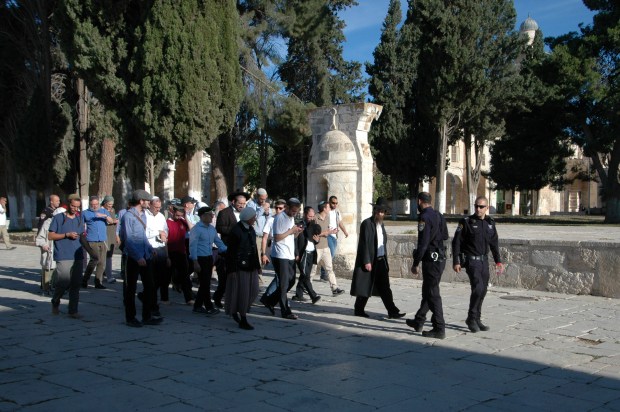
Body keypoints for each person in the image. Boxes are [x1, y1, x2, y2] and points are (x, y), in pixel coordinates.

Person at [452, 195, 504, 333]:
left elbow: (494, 243)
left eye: (481, 206)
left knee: (484, 289)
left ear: (487, 208)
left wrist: (498, 261)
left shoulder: (490, 223)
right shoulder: (466, 222)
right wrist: (456, 261)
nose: (478, 209)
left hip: (484, 261)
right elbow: (456, 242)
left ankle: (477, 319)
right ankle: (471, 318)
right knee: (478, 288)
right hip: (471, 261)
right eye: (476, 206)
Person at [350, 198, 404, 319]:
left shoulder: (381, 225)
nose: (380, 213)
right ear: (375, 210)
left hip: (380, 261)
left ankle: (392, 311)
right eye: (379, 211)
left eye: (383, 211)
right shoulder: (367, 224)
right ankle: (358, 309)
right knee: (365, 285)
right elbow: (363, 244)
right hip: (370, 261)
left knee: (385, 287)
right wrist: (366, 261)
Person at [407, 192, 449, 339]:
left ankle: (439, 327)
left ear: (419, 201)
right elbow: (445, 236)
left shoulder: (424, 217)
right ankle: (419, 321)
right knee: (428, 290)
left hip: (430, 260)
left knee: (433, 293)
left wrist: (415, 263)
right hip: (440, 258)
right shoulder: (438, 215)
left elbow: (423, 243)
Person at [120, 189, 162, 328]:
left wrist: (150, 249)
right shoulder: (128, 216)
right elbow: (129, 239)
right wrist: (138, 257)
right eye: (147, 200)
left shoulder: (143, 215)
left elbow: (142, 236)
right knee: (130, 288)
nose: (149, 203)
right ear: (141, 201)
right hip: (132, 257)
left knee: (150, 286)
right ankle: (130, 318)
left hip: (145, 256)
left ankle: (147, 316)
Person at [259, 198, 303, 320]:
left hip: (289, 254)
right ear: (287, 207)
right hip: (280, 254)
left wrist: (297, 232)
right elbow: (277, 237)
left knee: (292, 280)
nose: (294, 213)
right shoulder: (279, 218)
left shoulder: (291, 217)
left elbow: (291, 236)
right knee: (283, 284)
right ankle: (285, 311)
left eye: (296, 211)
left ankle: (268, 300)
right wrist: (291, 230)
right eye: (293, 211)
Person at [48, 194, 84, 318]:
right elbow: (50, 236)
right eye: (73, 206)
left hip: (78, 255)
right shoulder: (58, 218)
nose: (75, 209)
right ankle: (55, 300)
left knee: (76, 283)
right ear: (68, 204)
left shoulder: (80, 218)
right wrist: (66, 235)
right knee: (63, 281)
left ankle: (73, 310)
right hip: (63, 254)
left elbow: (82, 235)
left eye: (77, 207)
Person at [225, 207, 261, 329]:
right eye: (253, 217)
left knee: (255, 290)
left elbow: (254, 248)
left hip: (251, 265)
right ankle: (243, 318)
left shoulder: (251, 229)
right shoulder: (236, 231)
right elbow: (231, 252)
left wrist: (258, 265)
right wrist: (232, 270)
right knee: (243, 293)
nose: (255, 219)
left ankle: (240, 310)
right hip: (240, 267)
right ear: (248, 218)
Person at [190, 206, 227, 316]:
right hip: (200, 258)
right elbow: (192, 246)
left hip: (209, 258)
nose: (212, 216)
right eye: (209, 214)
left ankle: (197, 306)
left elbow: (218, 242)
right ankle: (209, 307)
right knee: (205, 283)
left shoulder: (211, 229)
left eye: (212, 214)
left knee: (205, 283)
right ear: (202, 216)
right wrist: (195, 261)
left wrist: (228, 250)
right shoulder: (196, 229)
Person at [214, 191, 249, 308]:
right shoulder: (224, 213)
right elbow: (220, 228)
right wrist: (236, 230)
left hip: (241, 251)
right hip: (227, 250)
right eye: (240, 203)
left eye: (244, 204)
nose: (242, 206)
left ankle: (235, 301)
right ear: (233, 202)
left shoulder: (246, 213)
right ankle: (218, 297)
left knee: (237, 279)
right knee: (224, 279)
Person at [81, 196, 114, 289]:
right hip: (91, 240)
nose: (95, 206)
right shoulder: (85, 213)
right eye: (92, 205)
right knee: (94, 260)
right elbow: (81, 225)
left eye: (96, 204)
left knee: (102, 262)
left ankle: (98, 282)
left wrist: (105, 216)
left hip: (102, 240)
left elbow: (111, 221)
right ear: (89, 204)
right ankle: (85, 280)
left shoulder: (104, 211)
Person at [313, 201, 345, 296]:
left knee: (329, 268)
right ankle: (306, 287)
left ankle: (334, 288)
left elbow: (325, 231)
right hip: (317, 248)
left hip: (325, 247)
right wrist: (325, 233)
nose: (330, 208)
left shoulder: (327, 218)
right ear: (324, 208)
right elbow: (313, 233)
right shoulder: (315, 218)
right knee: (313, 270)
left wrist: (331, 232)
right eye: (328, 207)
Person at [291, 206, 322, 304]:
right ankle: (313, 296)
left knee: (305, 275)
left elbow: (314, 238)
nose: (311, 218)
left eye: (313, 216)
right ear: (305, 215)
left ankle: (298, 295)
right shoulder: (300, 226)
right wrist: (296, 254)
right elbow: (295, 240)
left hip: (311, 253)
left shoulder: (313, 225)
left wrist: (317, 240)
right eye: (309, 216)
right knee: (305, 275)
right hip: (302, 254)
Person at [145, 196, 169, 317]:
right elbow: (144, 233)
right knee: (151, 279)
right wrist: (157, 233)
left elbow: (165, 229)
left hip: (160, 248)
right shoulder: (144, 215)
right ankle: (152, 305)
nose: (158, 210)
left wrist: (164, 235)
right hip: (150, 249)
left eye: (160, 207)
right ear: (150, 205)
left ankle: (146, 296)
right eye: (156, 207)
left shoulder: (160, 216)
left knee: (161, 278)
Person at [166, 205, 194, 304]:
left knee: (185, 276)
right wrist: (167, 256)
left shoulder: (182, 221)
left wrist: (185, 216)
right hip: (170, 252)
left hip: (182, 252)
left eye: (180, 215)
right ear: (172, 212)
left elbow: (191, 228)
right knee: (166, 276)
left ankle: (189, 298)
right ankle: (164, 298)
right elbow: (164, 241)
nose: (178, 217)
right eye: (177, 215)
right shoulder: (167, 223)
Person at [36, 206, 66, 295]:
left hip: (61, 250)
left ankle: (57, 288)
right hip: (50, 249)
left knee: (60, 270)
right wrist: (44, 245)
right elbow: (40, 238)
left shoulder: (65, 224)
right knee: (49, 269)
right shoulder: (47, 223)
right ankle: (46, 289)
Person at [101, 196, 118, 284]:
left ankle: (105, 274)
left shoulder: (112, 210)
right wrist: (113, 221)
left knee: (109, 255)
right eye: (109, 204)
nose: (110, 206)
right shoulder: (101, 210)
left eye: (112, 204)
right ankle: (108, 276)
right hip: (105, 234)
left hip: (111, 234)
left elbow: (113, 220)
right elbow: (110, 221)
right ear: (105, 203)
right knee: (105, 255)